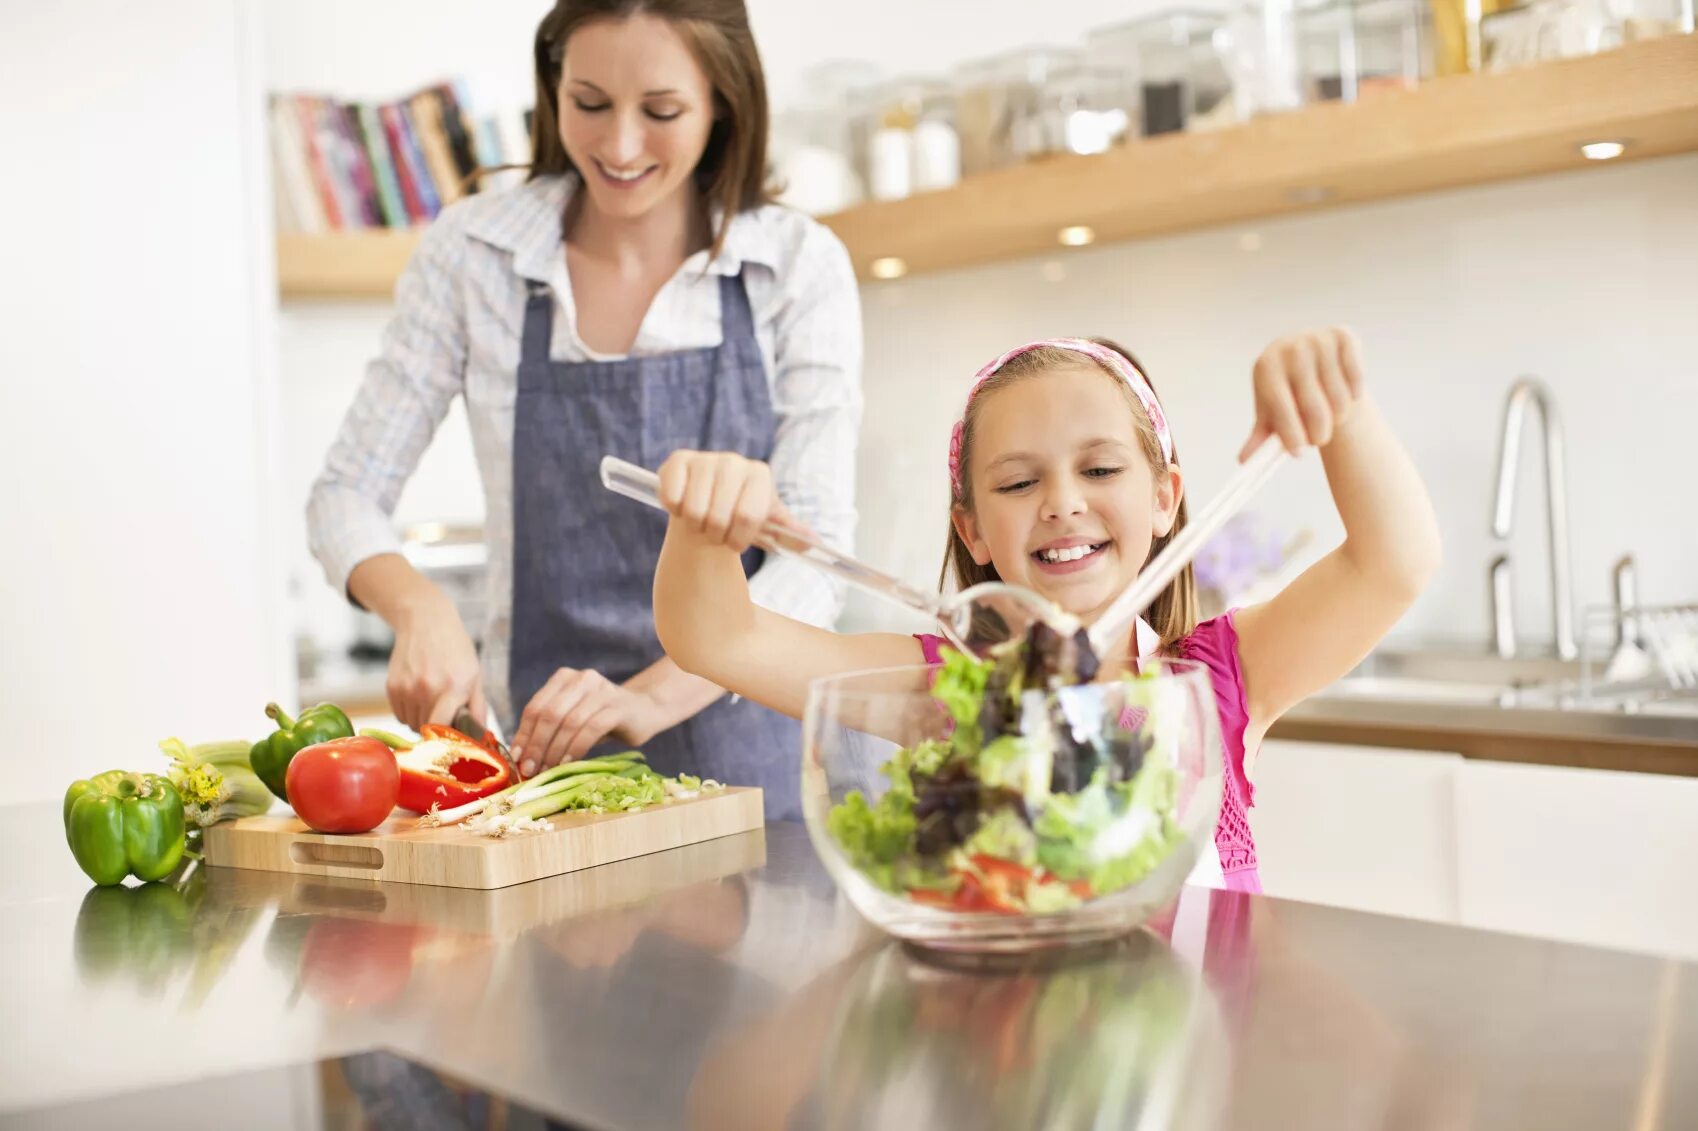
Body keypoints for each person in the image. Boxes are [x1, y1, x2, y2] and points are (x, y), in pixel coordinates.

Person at [306, 0, 862, 820]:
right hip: (548, 785)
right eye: (590, 104)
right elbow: (344, 494)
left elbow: (815, 555)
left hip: (758, 774)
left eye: (662, 111)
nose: (620, 145)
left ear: (723, 102)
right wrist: (420, 609)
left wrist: (645, 700)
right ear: (553, 86)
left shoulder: (794, 265)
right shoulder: (473, 256)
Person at [649, 329, 1441, 886]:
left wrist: (1339, 405)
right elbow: (715, 635)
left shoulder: (1221, 679)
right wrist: (702, 525)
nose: (1062, 503)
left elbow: (1392, 564)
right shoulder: (944, 687)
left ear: (1166, 498)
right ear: (974, 530)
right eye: (1019, 482)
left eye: (1100, 468)